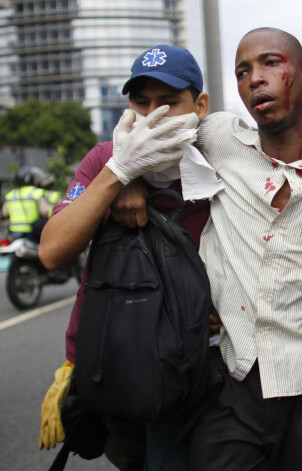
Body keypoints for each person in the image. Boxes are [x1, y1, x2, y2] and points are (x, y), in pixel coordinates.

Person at [174, 27, 302, 471]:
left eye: (270, 63)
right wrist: (126, 179)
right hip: (232, 378)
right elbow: (147, 126)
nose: (255, 79)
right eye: (243, 71)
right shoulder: (221, 139)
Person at [38, 44, 211, 471]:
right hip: (113, 362)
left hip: (190, 367)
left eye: (168, 102)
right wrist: (119, 172)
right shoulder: (104, 157)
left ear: (200, 105)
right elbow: (53, 251)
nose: (152, 116)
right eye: (141, 102)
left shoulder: (220, 159)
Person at [2, 166, 51, 242]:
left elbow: (4, 214)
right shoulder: (36, 192)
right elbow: (45, 212)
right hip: (32, 233)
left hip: (13, 233)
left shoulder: (10, 195)